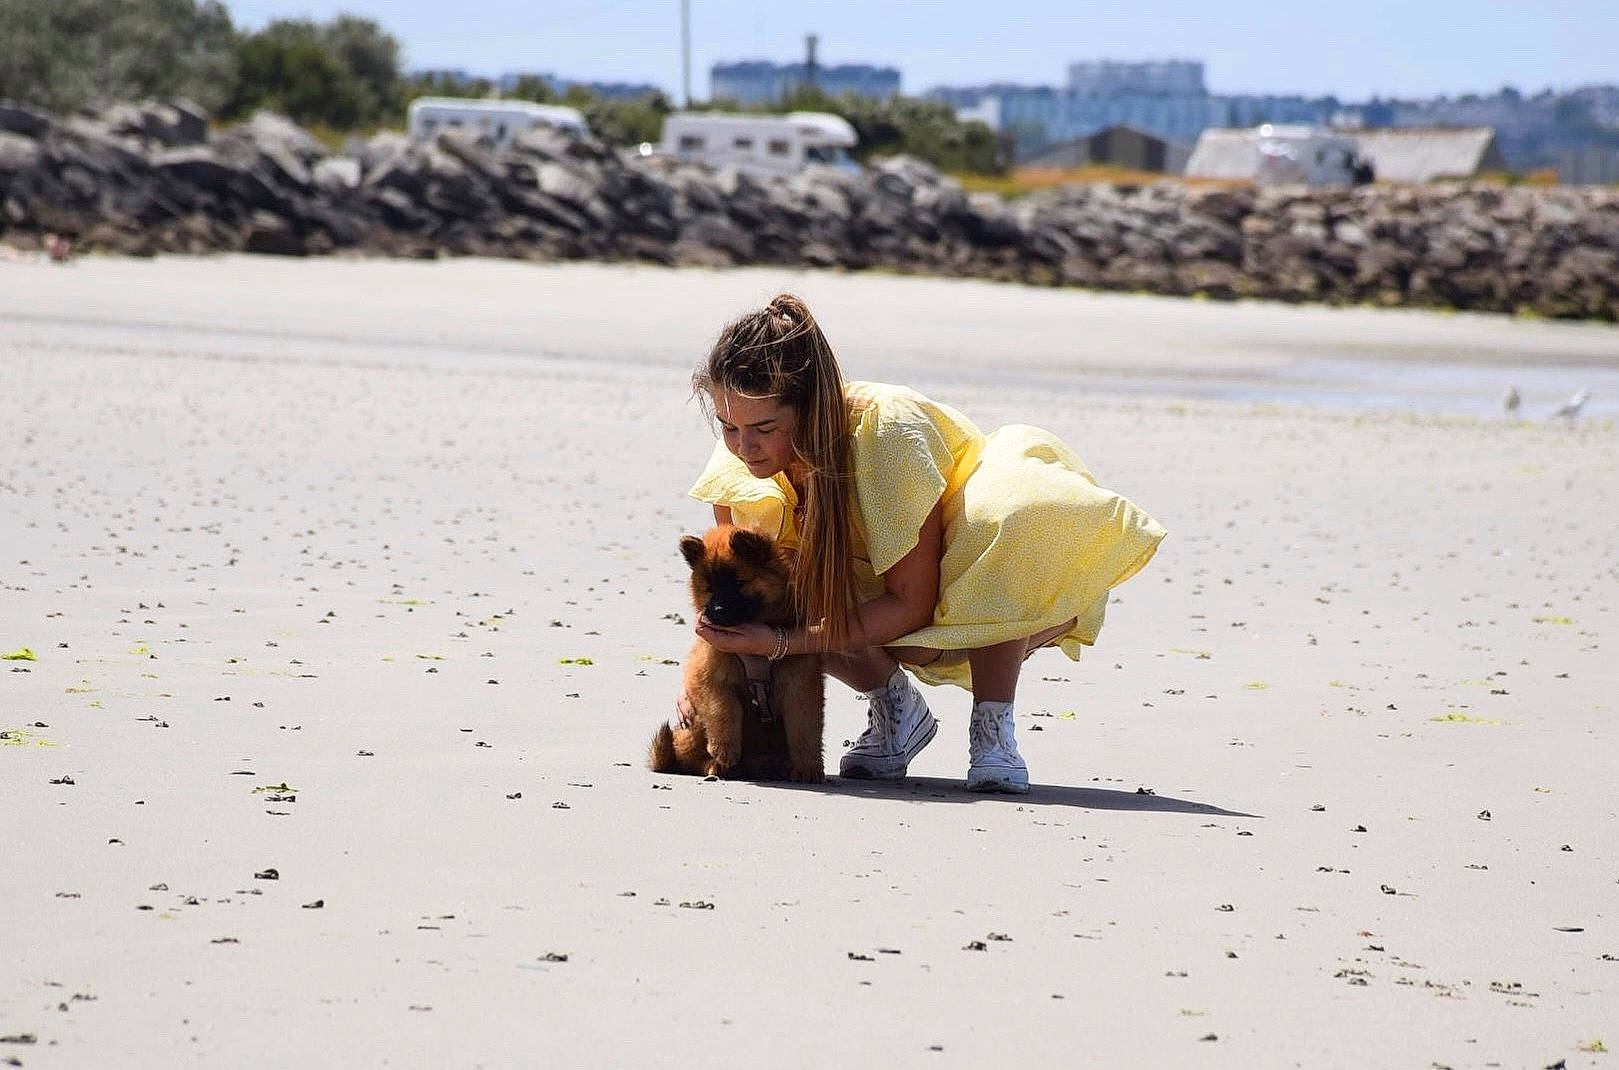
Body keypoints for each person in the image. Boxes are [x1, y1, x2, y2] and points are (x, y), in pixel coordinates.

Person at [685, 293, 1165, 793]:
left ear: (808, 410)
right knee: (774, 581)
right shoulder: (742, 461)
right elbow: (742, 597)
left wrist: (784, 644)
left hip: (970, 581)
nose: (743, 446)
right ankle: (895, 711)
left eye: (764, 428)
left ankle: (993, 726)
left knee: (1002, 521)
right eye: (728, 426)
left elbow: (912, 604)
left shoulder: (886, 434)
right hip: (872, 589)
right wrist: (700, 685)